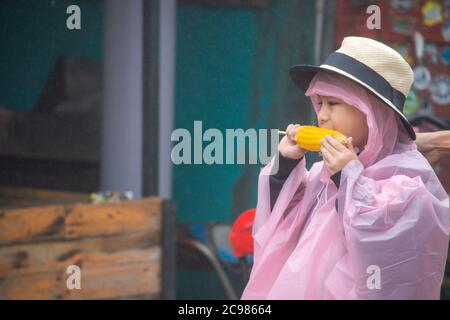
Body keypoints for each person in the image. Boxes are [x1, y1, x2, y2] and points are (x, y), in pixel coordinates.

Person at [242, 37, 450, 300]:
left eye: (334, 104)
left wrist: (348, 176)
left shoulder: (407, 176)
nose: (322, 116)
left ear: (372, 113)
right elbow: (282, 228)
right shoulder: (323, 171)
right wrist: (286, 165)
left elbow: (392, 252)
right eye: (319, 103)